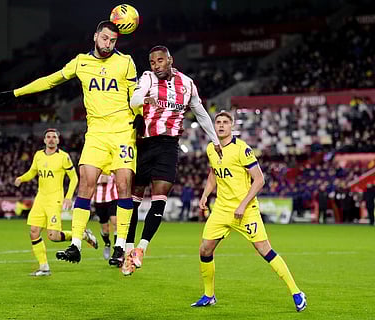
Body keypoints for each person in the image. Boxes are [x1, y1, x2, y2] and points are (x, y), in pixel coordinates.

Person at [0, 21, 139, 266]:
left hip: (123, 132)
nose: (108, 44)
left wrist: (141, 119)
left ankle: (120, 246)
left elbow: (136, 96)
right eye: (104, 38)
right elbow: (50, 80)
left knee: (124, 185)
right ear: (95, 36)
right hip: (96, 134)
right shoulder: (81, 62)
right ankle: (76, 245)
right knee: (86, 184)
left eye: (113, 40)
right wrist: (16, 93)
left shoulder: (126, 62)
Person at [122, 45, 223, 275]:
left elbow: (200, 112)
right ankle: (128, 251)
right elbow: (135, 99)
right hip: (143, 143)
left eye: (160, 61)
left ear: (170, 60)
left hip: (168, 146)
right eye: (152, 62)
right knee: (134, 201)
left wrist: (215, 140)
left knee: (160, 199)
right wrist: (143, 99)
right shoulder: (147, 78)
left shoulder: (187, 83)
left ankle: (141, 249)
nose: (156, 65)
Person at [191, 111, 306, 312]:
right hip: (221, 209)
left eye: (225, 122)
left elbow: (259, 179)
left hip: (246, 211)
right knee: (205, 249)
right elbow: (213, 173)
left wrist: (243, 204)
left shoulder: (241, 149)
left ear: (232, 126)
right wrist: (205, 194)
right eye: (218, 122)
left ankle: (296, 292)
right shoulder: (211, 148)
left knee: (265, 251)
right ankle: (209, 295)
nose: (221, 125)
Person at [14, 128, 97, 276]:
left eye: (54, 137)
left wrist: (68, 197)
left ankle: (83, 235)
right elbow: (32, 172)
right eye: (48, 137)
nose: (51, 139)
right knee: (33, 232)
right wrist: (21, 178)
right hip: (40, 199)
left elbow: (74, 178)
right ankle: (44, 267)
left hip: (54, 199)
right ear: (44, 140)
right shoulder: (38, 155)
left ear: (58, 140)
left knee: (53, 236)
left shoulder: (63, 157)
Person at [93, 173, 118, 260]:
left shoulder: (112, 168)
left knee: (115, 222)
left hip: (112, 199)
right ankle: (107, 244)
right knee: (105, 229)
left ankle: (117, 250)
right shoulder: (95, 169)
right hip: (99, 201)